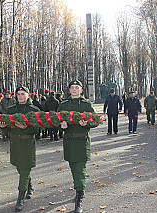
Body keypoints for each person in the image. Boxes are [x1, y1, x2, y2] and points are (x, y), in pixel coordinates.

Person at [58, 80, 97, 213]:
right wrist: (61, 126)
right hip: (69, 141)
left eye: (77, 87)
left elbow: (95, 120)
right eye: (72, 88)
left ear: (81, 90)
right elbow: (56, 120)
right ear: (69, 90)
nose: (74, 90)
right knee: (73, 167)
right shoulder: (63, 105)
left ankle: (79, 197)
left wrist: (86, 124)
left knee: (80, 168)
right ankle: (79, 189)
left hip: (81, 141)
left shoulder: (86, 104)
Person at [0, 86, 40, 212]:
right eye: (18, 94)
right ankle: (30, 186)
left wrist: (25, 128)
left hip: (27, 142)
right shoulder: (11, 109)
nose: (20, 96)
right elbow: (6, 128)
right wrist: (3, 126)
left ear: (28, 95)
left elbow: (39, 128)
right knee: (20, 167)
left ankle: (20, 198)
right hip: (15, 142)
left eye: (23, 94)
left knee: (24, 168)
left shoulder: (33, 109)